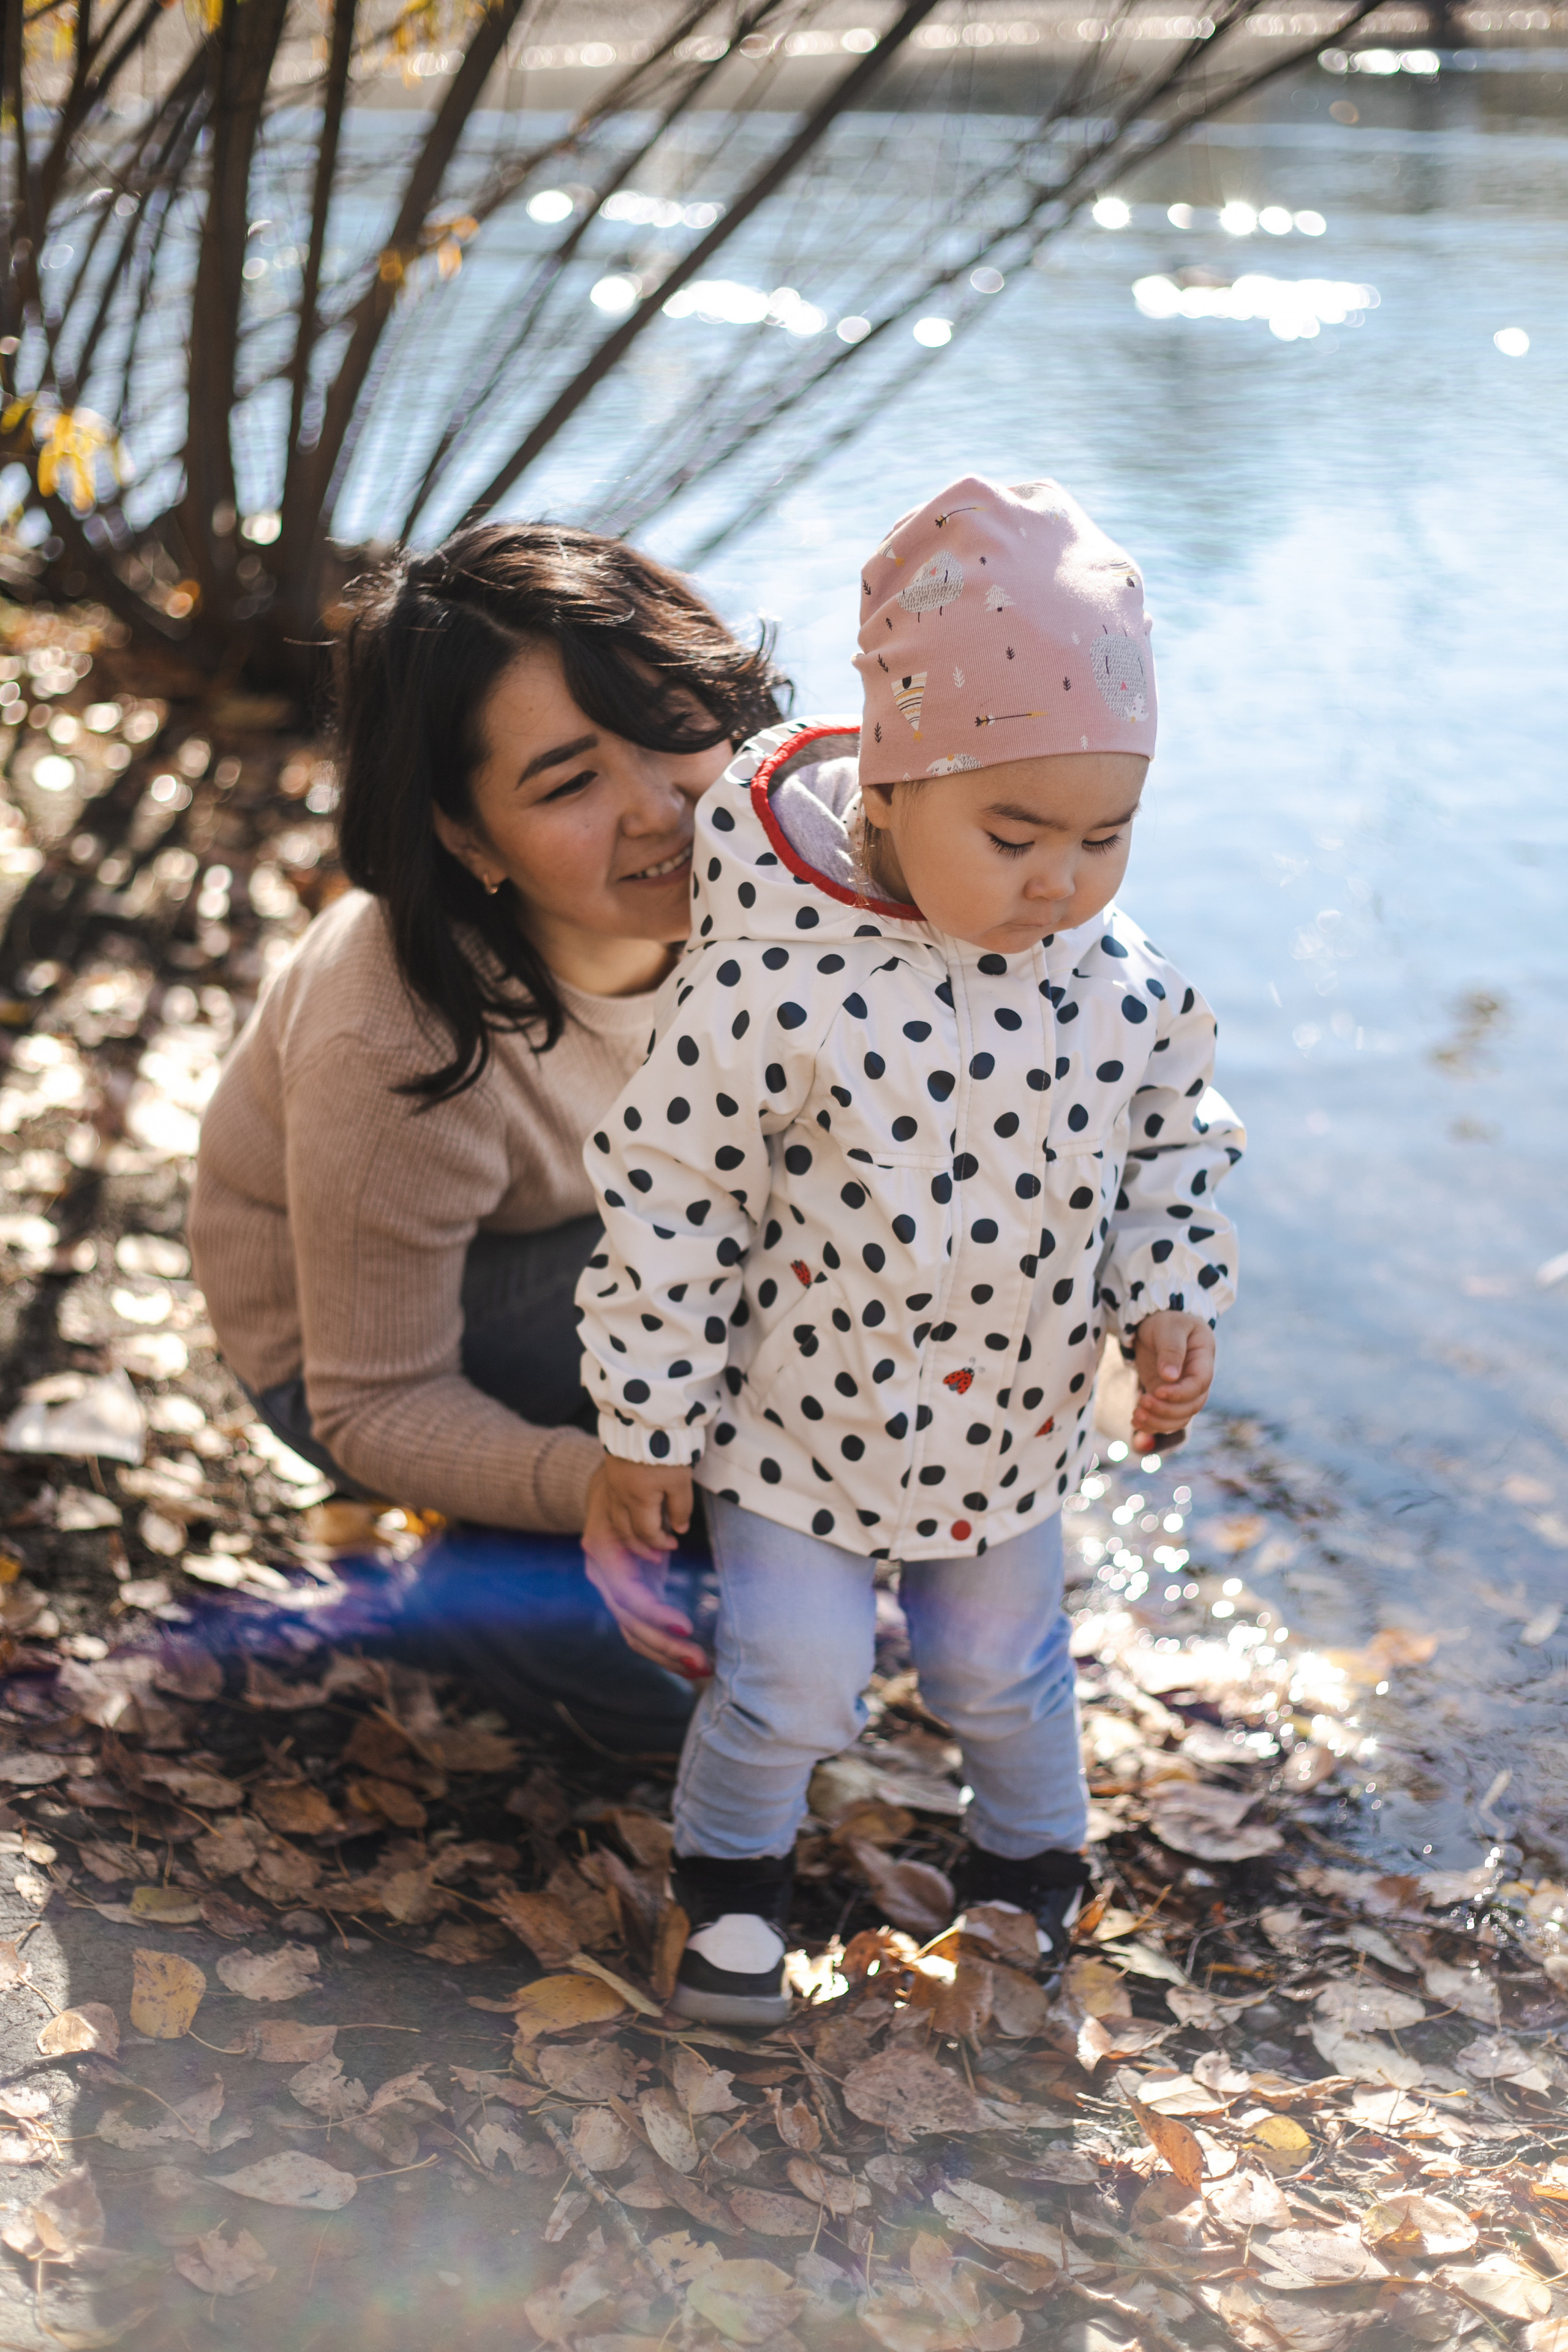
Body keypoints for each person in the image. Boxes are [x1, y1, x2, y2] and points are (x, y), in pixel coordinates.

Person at [576, 474, 1245, 2024]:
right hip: (794, 1424)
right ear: (887, 783)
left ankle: (1028, 1867)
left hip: (1007, 1423)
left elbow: (1175, 1142)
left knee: (1001, 1674)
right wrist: (647, 1421)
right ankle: (733, 1883)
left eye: (1105, 835)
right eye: (1011, 832)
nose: (1059, 879)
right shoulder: (771, 982)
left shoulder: (1119, 983)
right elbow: (671, 1196)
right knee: (792, 1679)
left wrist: (1167, 1295)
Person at [188, 522, 788, 1754]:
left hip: (591, 1241)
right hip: (349, 1341)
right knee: (668, 1743)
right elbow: (373, 1402)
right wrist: (604, 1489)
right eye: (567, 783)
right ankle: (486, 1605)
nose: (657, 812)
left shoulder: (776, 881)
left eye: (675, 726)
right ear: (467, 837)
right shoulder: (398, 1030)